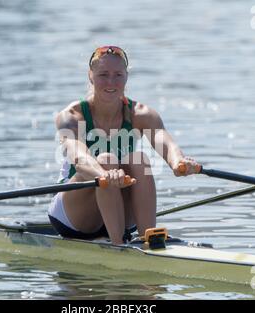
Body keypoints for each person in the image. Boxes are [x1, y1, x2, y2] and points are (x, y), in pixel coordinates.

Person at [48, 46, 200, 245]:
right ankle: (118, 244)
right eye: (103, 74)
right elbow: (80, 158)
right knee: (106, 161)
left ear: (126, 77)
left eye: (118, 75)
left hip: (118, 209)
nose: (111, 82)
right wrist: (103, 174)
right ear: (90, 76)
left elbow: (167, 144)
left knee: (139, 160)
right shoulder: (71, 116)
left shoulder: (142, 114)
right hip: (75, 215)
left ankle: (148, 238)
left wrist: (178, 162)